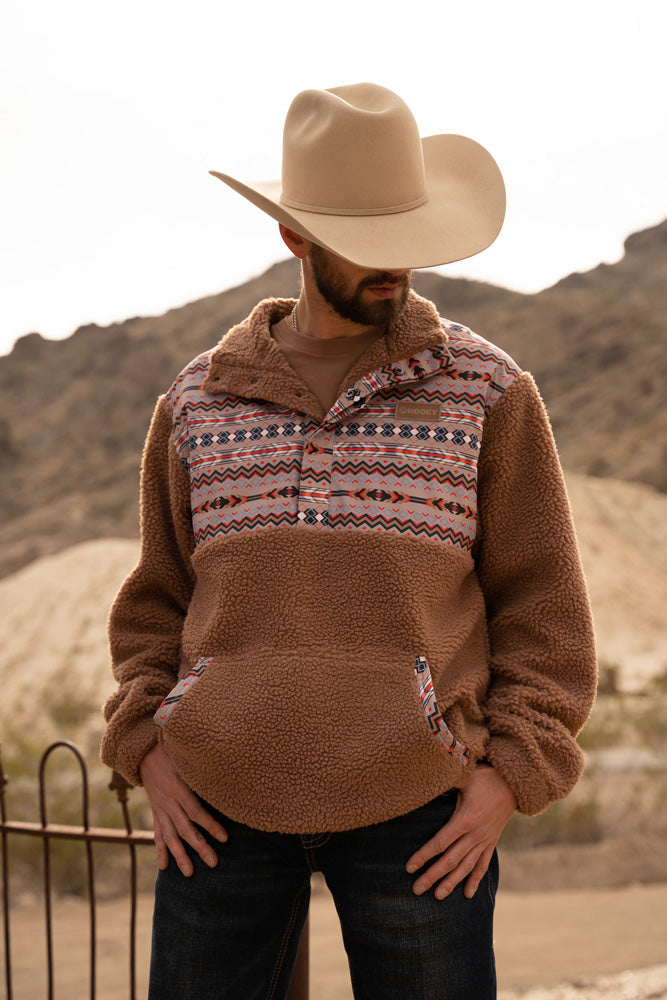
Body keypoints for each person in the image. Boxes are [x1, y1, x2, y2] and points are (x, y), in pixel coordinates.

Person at [101, 83, 597, 1000]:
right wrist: (149, 748)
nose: (394, 267)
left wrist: (507, 775)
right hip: (214, 806)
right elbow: (155, 604)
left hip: (422, 812)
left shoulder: (487, 392)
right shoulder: (195, 403)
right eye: (369, 244)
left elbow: (546, 611)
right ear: (294, 238)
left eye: (406, 239)